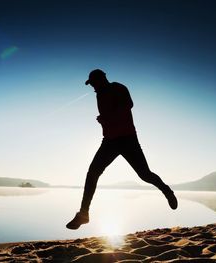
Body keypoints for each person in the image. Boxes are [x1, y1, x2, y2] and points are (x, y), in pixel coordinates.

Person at [66, 69, 178, 230]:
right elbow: (109, 116)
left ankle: (167, 191)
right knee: (92, 172)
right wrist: (103, 121)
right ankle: (83, 214)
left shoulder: (118, 88)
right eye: (91, 85)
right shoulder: (99, 95)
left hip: (127, 139)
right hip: (109, 141)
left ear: (102, 79)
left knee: (145, 174)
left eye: (94, 83)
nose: (93, 88)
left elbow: (127, 106)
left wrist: (106, 118)